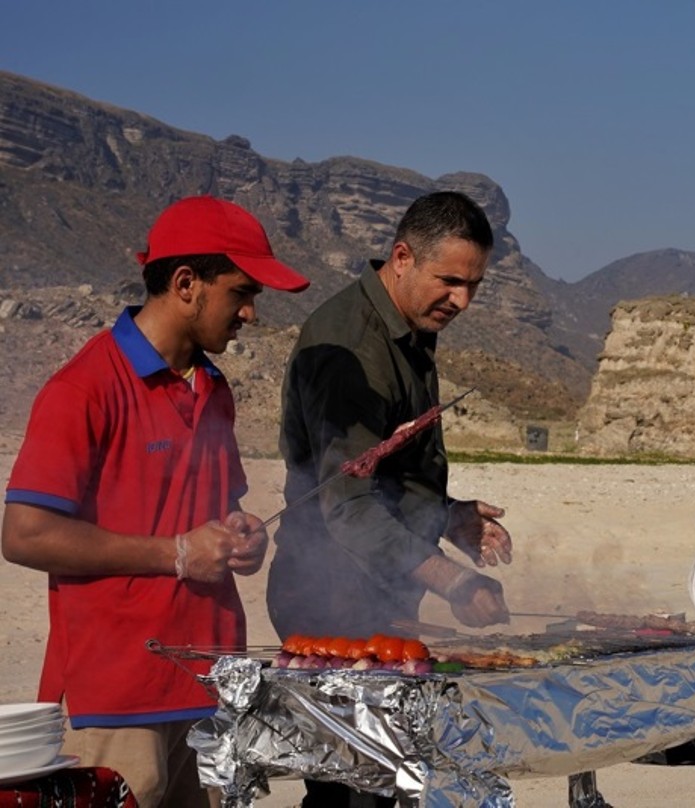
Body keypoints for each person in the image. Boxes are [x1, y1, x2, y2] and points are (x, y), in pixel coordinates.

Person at [1, 195, 310, 807]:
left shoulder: (214, 389)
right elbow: (24, 533)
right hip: (116, 697)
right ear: (186, 283)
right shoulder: (84, 387)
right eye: (241, 292)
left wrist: (242, 534)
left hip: (208, 683)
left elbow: (212, 516)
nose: (250, 313)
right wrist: (175, 553)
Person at [267, 191, 512, 807]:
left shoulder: (412, 325)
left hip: (383, 592)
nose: (462, 301)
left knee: (397, 782)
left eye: (474, 285)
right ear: (402, 258)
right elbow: (347, 505)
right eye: (450, 281)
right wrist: (452, 582)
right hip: (329, 596)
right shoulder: (351, 346)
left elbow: (390, 474)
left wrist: (448, 514)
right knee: (353, 789)